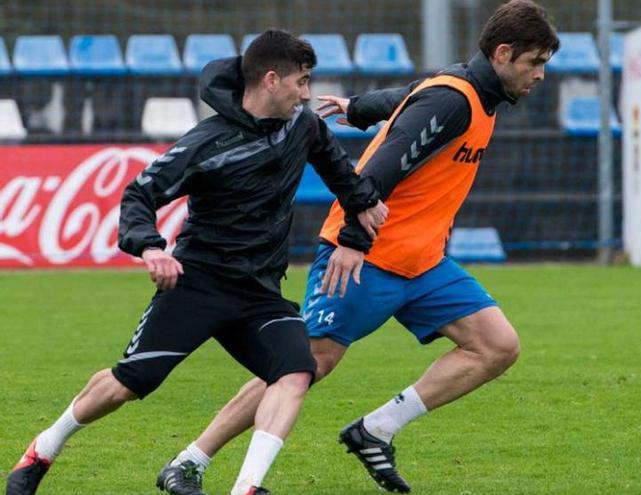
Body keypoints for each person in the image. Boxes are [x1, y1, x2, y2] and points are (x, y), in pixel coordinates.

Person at [157, 1, 560, 493]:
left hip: (423, 261)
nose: (540, 74)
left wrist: (357, 108)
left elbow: (408, 97)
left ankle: (376, 430)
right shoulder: (454, 100)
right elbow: (376, 171)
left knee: (497, 346)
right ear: (502, 53)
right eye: (534, 62)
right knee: (301, 366)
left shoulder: (471, 91)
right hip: (366, 254)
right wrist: (352, 239)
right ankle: (191, 460)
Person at [5, 29, 388, 495]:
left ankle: (247, 487)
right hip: (197, 284)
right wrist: (150, 247)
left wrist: (364, 203)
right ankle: (41, 450)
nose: (307, 93)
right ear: (271, 79)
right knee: (129, 383)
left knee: (296, 371)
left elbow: (340, 173)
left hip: (260, 292)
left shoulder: (303, 127)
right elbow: (139, 195)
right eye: (301, 82)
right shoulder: (206, 142)